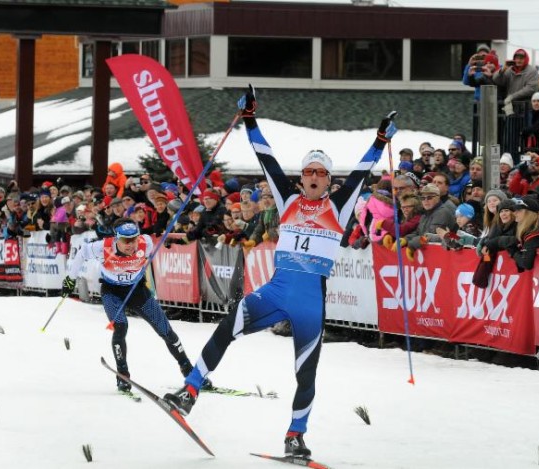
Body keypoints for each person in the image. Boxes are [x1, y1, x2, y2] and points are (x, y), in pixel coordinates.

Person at [163, 86, 397, 460]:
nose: (315, 177)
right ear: (302, 177)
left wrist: (379, 140)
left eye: (321, 172)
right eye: (309, 171)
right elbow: (266, 158)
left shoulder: (338, 206)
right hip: (275, 291)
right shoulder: (288, 199)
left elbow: (361, 172)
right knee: (226, 327)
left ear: (328, 178)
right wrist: (251, 118)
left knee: (305, 375)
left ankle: (295, 436)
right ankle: (189, 392)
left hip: (309, 303)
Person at [61, 218, 197, 392]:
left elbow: (166, 238)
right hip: (112, 292)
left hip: (137, 291)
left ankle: (189, 372)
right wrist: (70, 279)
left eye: (134, 239)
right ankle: (123, 376)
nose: (131, 244)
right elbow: (81, 254)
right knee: (120, 328)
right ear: (117, 238)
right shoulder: (102, 247)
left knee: (166, 331)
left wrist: (176, 239)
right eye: (126, 240)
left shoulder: (145, 242)